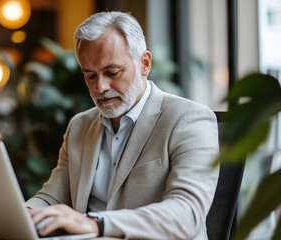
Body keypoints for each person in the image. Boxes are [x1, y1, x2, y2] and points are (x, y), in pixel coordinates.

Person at [26, 11, 219, 239]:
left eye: (112, 72)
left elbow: (187, 215)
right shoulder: (79, 126)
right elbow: (51, 199)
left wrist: (96, 224)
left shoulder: (190, 120)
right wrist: (21, 215)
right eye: (90, 76)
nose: (100, 87)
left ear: (144, 64)